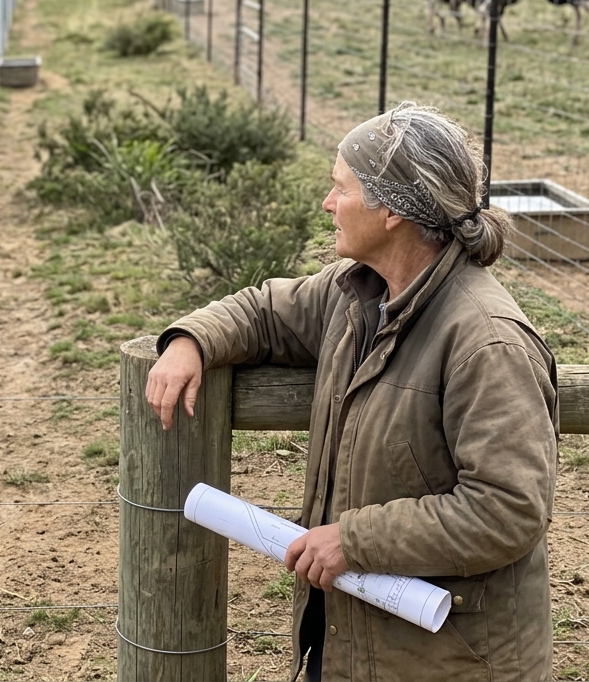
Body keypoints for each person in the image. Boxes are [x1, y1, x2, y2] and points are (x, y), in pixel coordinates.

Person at [145, 103, 558, 682]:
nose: (327, 203)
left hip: (451, 663)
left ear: (390, 209)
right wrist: (191, 341)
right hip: (357, 647)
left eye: (341, 187)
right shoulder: (357, 292)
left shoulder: (488, 344)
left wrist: (356, 541)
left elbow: (508, 509)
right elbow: (265, 310)